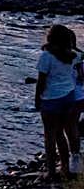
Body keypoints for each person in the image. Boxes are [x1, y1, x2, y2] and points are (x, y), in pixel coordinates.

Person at [36, 25, 81, 180]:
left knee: (50, 136)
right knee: (61, 133)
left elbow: (41, 81)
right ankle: (65, 168)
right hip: (68, 96)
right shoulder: (72, 56)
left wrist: (37, 99)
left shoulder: (46, 57)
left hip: (51, 98)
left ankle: (51, 172)